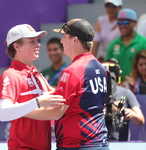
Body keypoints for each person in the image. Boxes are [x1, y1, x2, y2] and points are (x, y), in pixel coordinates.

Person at [25, 18, 110, 150]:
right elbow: (81, 99)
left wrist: (21, 110)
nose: (61, 41)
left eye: (64, 36)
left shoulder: (72, 70)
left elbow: (57, 112)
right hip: (98, 142)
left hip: (77, 145)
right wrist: (50, 90)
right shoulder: (98, 67)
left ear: (75, 40)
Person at [0, 24, 65, 150]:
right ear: (16, 46)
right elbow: (4, 113)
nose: (38, 44)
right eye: (32, 41)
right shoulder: (11, 75)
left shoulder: (35, 73)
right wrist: (38, 102)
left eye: (37, 40)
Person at [102, 59, 145, 141]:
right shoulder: (95, 93)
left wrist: (132, 113)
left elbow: (140, 120)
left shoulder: (126, 93)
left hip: (121, 143)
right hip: (99, 142)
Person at [105, 8, 146, 82]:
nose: (122, 26)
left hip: (138, 89)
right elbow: (106, 68)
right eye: (120, 23)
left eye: (126, 22)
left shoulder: (143, 43)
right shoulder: (113, 44)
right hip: (117, 87)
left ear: (135, 23)